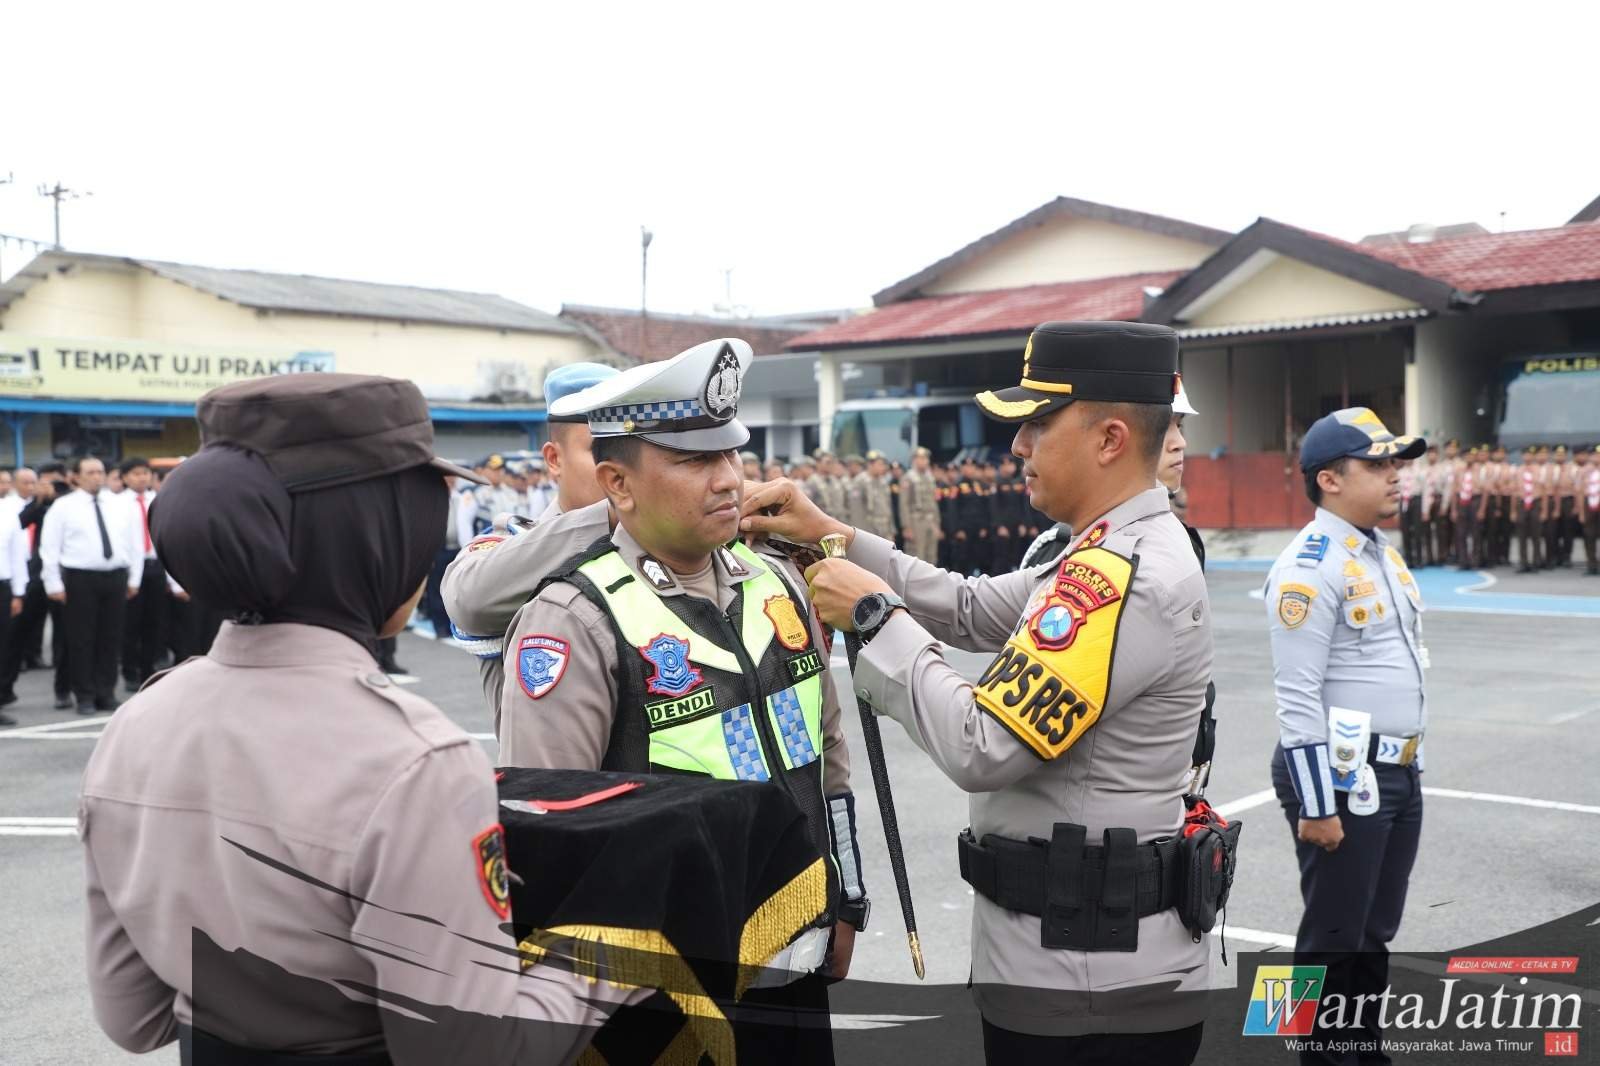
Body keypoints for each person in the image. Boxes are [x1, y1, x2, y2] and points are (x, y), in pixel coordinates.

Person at [80, 372, 629, 1064]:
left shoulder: (135, 727)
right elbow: (475, 1049)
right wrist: (614, 952)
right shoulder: (416, 762)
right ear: (379, 541)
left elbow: (133, 1017)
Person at [743, 320, 1213, 1065]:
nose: (1018, 445)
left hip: (1088, 991)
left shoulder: (1126, 578)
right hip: (1079, 963)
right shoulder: (1106, 548)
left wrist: (875, 619)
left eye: (1037, 424)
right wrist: (831, 532)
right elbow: (968, 608)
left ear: (1110, 439)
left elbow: (982, 745)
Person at [500, 339, 869, 1063]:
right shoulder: (575, 620)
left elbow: (826, 754)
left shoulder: (777, 583)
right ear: (618, 483)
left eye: (731, 453)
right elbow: (549, 843)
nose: (729, 478)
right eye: (694, 461)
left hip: (796, 963)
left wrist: (845, 897)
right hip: (670, 1003)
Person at [1264, 407, 1428, 1066]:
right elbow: (1297, 697)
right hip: (1340, 776)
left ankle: (1361, 1054)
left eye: (1396, 463)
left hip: (1395, 771)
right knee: (1330, 935)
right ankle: (1311, 1055)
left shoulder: (1379, 553)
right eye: (1378, 463)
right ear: (1329, 479)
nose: (1395, 475)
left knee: (1372, 932)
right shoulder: (1309, 566)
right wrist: (1316, 803)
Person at [442, 363, 619, 718]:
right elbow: (469, 599)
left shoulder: (657, 543)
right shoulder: (509, 544)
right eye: (600, 452)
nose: (619, 469)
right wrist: (616, 516)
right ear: (554, 460)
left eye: (631, 453)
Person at [41, 457, 143, 714]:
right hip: (80, 578)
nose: (97, 476)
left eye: (100, 472)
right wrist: (53, 583)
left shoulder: (121, 505)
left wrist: (134, 578)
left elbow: (135, 543)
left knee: (110, 638)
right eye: (90, 472)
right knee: (81, 639)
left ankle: (105, 692)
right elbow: (50, 547)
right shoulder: (63, 506)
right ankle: (84, 694)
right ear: (76, 476)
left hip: (115, 576)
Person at [119, 457, 169, 690]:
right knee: (131, 624)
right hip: (130, 569)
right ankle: (130, 671)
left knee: (154, 623)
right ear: (125, 477)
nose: (142, 478)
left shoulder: (157, 501)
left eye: (145, 473)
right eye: (136, 473)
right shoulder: (117, 503)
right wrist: (130, 578)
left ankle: (148, 670)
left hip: (155, 567)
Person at [899, 446, 942, 564]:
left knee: (931, 556)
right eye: (921, 458)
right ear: (914, 460)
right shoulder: (908, 478)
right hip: (916, 522)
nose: (925, 461)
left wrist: (937, 523)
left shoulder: (930, 478)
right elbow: (904, 504)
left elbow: (934, 502)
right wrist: (907, 527)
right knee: (917, 557)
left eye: (926, 458)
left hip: (931, 521)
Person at [862, 450, 896, 542]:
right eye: (880, 464)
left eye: (884, 464)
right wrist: (860, 534)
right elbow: (857, 512)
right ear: (870, 465)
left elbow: (888, 507)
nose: (883, 467)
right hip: (869, 529)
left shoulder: (883, 482)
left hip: (885, 528)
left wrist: (891, 530)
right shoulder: (861, 482)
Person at [1581, 446, 1600, 575]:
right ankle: (1591, 564)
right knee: (1589, 535)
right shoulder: (1584, 471)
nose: (1597, 457)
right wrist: (1581, 512)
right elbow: (1579, 492)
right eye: (1595, 455)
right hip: (1589, 505)